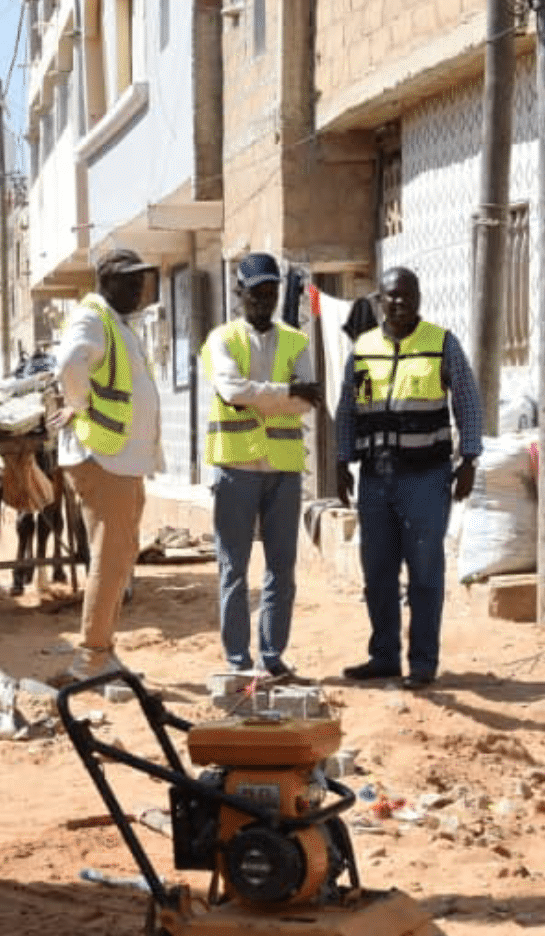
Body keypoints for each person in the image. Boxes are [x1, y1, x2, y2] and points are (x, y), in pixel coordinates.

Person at [334, 266, 482, 690]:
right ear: (379, 300)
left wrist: (469, 459)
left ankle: (422, 663)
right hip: (375, 479)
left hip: (426, 479)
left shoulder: (441, 343)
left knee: (424, 572)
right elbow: (347, 409)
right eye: (390, 295)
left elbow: (468, 402)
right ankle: (384, 657)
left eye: (406, 294)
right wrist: (341, 462)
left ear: (418, 297)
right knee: (377, 572)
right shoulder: (363, 348)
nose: (398, 302)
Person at [202, 252, 323, 681]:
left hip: (283, 469)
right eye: (256, 293)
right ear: (239, 293)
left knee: (281, 570)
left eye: (271, 292)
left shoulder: (296, 341)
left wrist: (262, 395)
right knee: (233, 568)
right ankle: (238, 661)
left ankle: (272, 657)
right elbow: (232, 392)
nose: (264, 300)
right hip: (236, 468)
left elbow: (308, 400)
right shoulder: (221, 340)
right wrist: (285, 392)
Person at [47, 247, 162, 682]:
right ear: (107, 282)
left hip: (121, 458)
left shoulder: (116, 323)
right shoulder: (93, 316)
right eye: (130, 282)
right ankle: (92, 658)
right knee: (110, 558)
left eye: (141, 281)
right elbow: (69, 363)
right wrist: (80, 404)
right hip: (104, 456)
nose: (138, 289)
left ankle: (103, 652)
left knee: (121, 555)